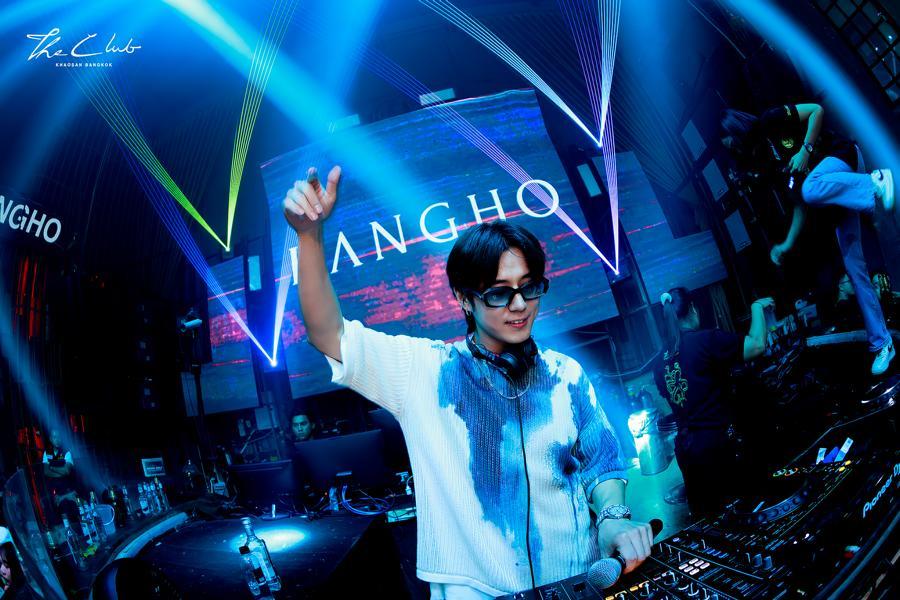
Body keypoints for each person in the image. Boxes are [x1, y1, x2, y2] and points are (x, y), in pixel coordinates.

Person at [283, 166, 652, 598]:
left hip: (576, 580)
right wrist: (309, 237)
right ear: (463, 299)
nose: (520, 305)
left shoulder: (565, 373)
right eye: (499, 293)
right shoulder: (424, 370)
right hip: (478, 590)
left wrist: (613, 517)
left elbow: (601, 462)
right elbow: (328, 334)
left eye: (529, 287)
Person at [721, 104, 895, 376]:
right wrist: (786, 244)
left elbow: (816, 111)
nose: (730, 146)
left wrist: (805, 150)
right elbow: (800, 204)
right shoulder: (765, 162)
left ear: (735, 129)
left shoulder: (770, 120)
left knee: (811, 188)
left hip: (841, 156)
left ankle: (875, 182)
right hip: (837, 194)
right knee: (855, 269)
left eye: (729, 140)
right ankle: (883, 343)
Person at [653, 288, 773, 517]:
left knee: (709, 520)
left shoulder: (659, 362)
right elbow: (757, 344)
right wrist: (756, 308)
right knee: (743, 514)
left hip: (688, 453)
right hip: (718, 449)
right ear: (692, 309)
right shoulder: (706, 340)